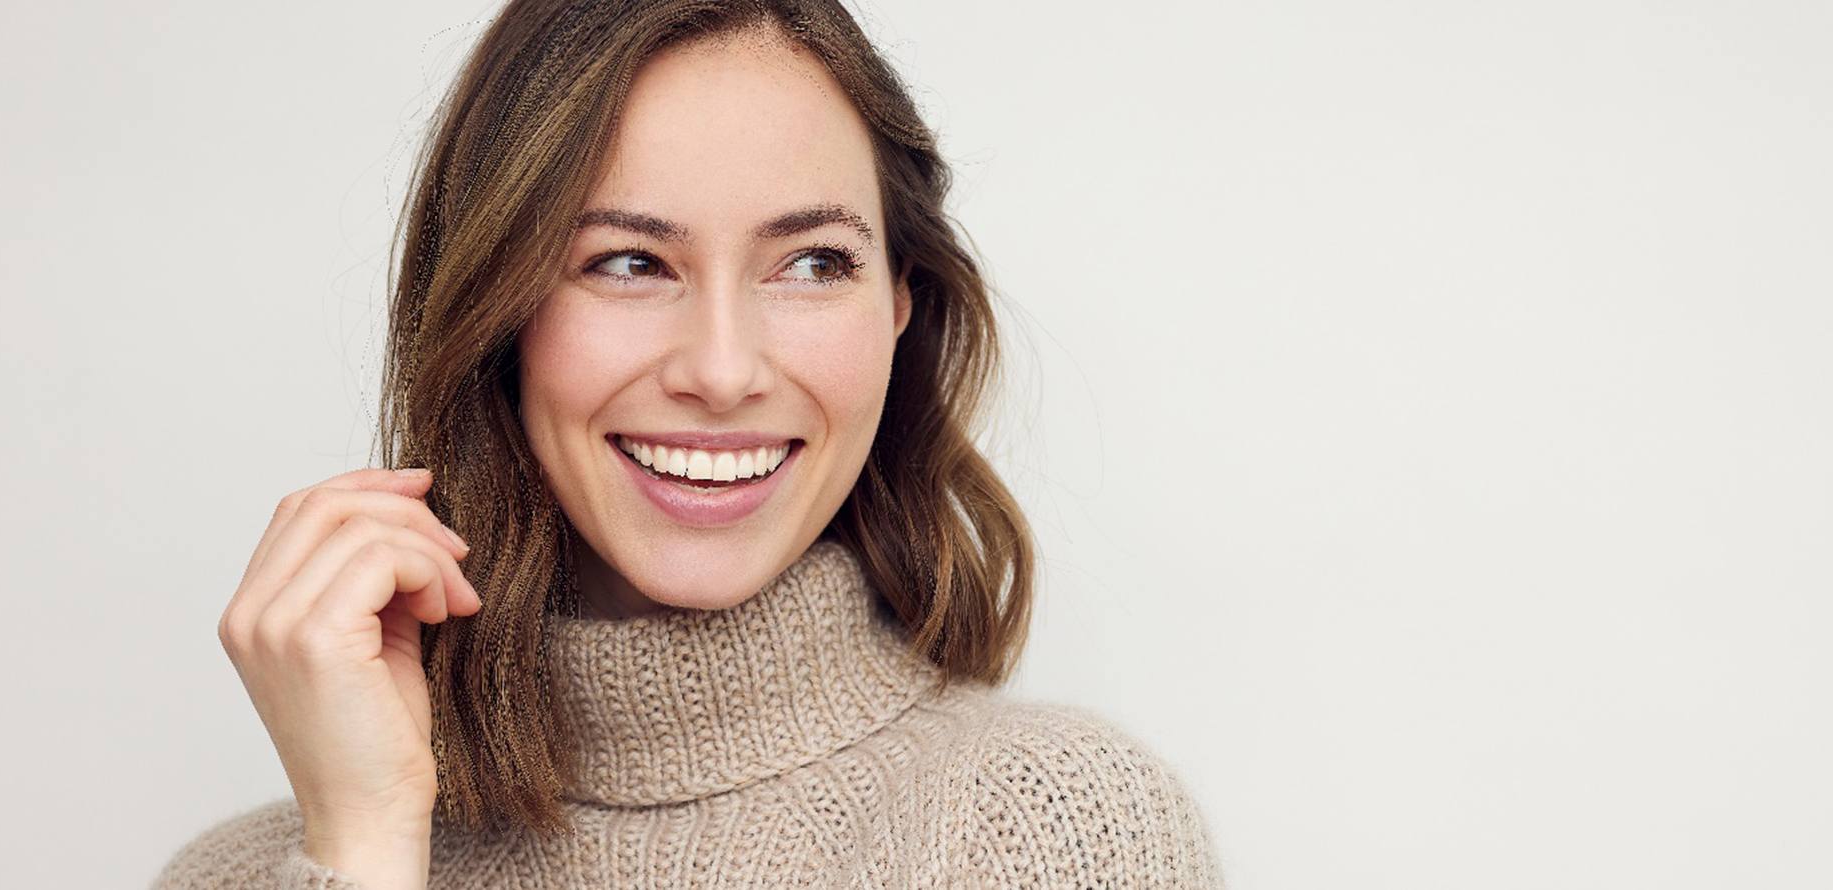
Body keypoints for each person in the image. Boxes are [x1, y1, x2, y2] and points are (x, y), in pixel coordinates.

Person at [154, 1, 1226, 887]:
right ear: (496, 308)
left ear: (904, 300)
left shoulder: (1055, 828)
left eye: (811, 262)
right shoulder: (254, 871)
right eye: (627, 262)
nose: (722, 369)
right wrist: (367, 841)